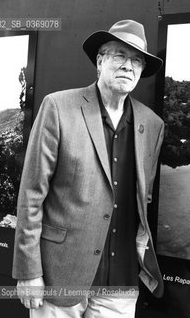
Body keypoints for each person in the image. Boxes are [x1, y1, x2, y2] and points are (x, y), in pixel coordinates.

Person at [12, 20, 165, 318]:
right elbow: (31, 194)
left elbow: (142, 199)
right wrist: (29, 271)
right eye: (119, 55)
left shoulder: (153, 125)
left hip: (121, 282)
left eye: (136, 60)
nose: (128, 66)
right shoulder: (58, 107)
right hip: (60, 275)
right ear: (100, 61)